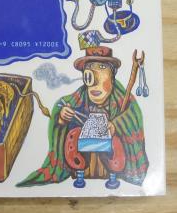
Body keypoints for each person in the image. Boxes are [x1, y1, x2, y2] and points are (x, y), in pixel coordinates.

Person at [16, 47, 148, 189]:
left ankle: (113, 176)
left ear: (112, 75)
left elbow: (132, 118)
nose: (94, 79)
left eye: (102, 67)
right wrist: (62, 116)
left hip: (110, 151)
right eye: (90, 68)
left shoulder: (123, 100)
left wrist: (115, 124)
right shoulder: (78, 98)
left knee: (113, 147)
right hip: (83, 151)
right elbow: (60, 110)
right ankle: (79, 175)